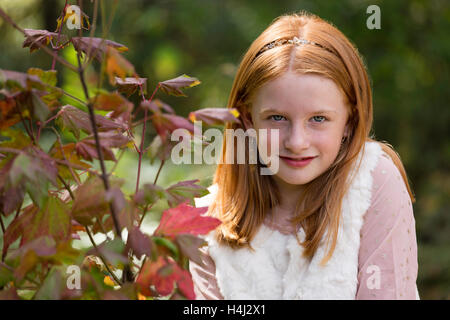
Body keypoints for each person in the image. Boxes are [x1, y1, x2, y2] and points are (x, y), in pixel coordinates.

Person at [189, 11, 419, 300]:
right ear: (248, 120)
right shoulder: (209, 222)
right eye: (276, 118)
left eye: (318, 119)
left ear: (349, 122)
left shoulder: (374, 184)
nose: (296, 142)